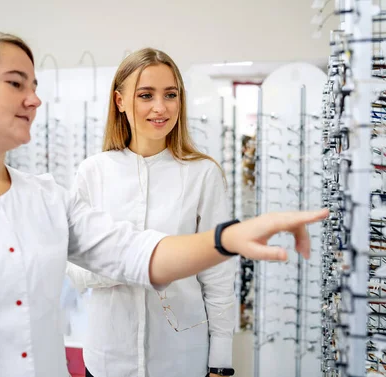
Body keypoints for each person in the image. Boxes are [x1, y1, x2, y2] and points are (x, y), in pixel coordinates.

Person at [0, 29, 328, 377]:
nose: (35, 99)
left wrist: (227, 239)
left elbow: (135, 253)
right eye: (16, 83)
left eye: (35, 85)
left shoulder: (46, 198)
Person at [66, 48, 237, 377]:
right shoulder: (93, 172)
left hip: (181, 360)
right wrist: (142, 263)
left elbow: (218, 277)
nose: (161, 107)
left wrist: (221, 361)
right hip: (107, 360)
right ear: (120, 101)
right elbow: (74, 269)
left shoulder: (203, 174)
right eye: (146, 95)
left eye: (170, 94)